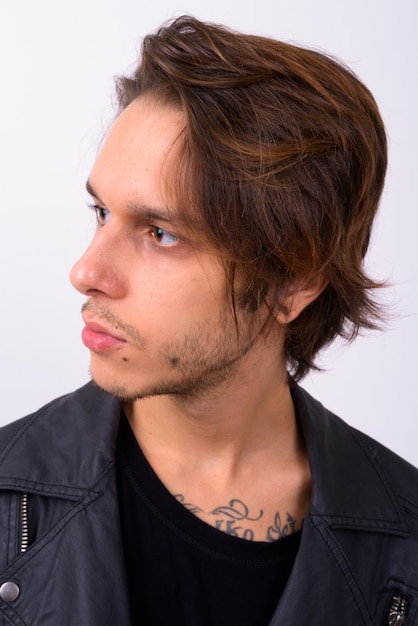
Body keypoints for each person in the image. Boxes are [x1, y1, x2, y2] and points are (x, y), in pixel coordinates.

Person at [0, 15, 416, 626]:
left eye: (161, 233)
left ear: (294, 282)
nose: (86, 272)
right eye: (101, 212)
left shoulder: (405, 536)